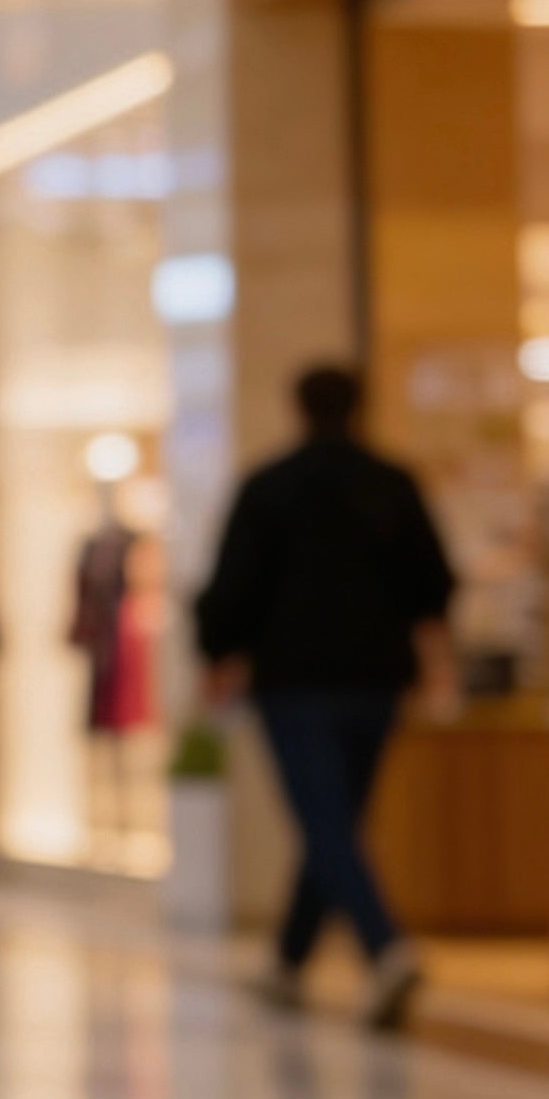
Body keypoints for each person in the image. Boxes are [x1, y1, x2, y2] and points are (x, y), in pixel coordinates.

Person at [194, 361, 456, 1025]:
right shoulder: (391, 484)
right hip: (374, 679)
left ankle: (385, 945)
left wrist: (218, 652)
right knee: (333, 821)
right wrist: (429, 658)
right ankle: (288, 961)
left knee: (326, 820)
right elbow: (432, 583)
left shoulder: (270, 486)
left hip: (296, 681)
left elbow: (232, 587)